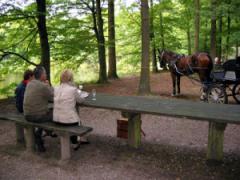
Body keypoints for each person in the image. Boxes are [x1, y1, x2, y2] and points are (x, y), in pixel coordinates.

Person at [53, 69, 89, 150]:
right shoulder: (73, 89)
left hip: (56, 119)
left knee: (70, 116)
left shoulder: (56, 88)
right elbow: (81, 100)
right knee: (74, 120)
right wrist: (83, 96)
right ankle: (75, 142)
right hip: (67, 121)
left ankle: (75, 140)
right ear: (71, 78)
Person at [23, 66, 54, 152]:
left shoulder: (30, 83)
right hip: (37, 116)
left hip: (27, 115)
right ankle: (51, 131)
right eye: (45, 73)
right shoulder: (43, 86)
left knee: (46, 112)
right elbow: (53, 97)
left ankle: (42, 132)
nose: (46, 74)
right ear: (42, 75)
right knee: (57, 113)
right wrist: (48, 85)